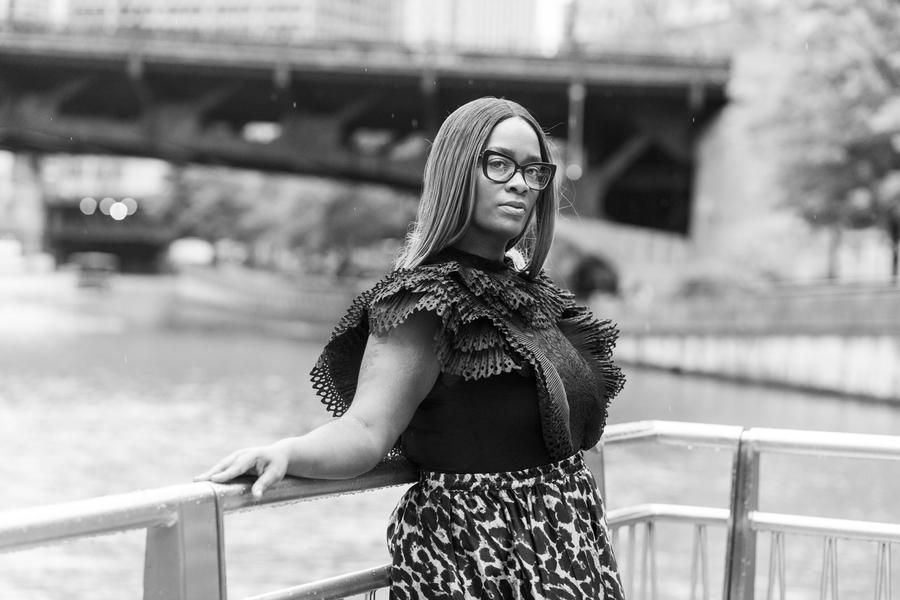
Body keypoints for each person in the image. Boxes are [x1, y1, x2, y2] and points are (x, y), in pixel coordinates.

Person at [195, 96, 626, 599]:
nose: (519, 183)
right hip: (481, 556)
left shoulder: (531, 292)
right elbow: (367, 428)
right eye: (499, 163)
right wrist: (286, 452)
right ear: (457, 170)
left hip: (566, 543)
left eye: (534, 171)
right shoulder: (424, 301)